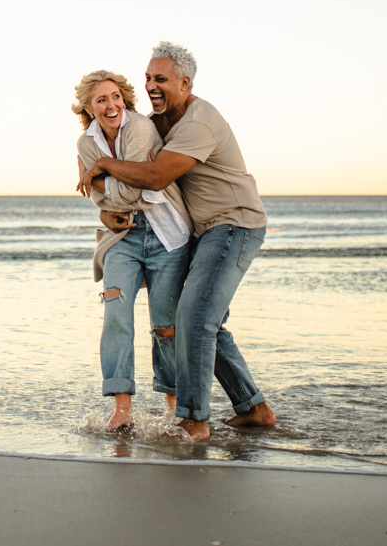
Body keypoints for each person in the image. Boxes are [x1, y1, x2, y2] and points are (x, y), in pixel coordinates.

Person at [79, 42, 276, 440]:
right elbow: (128, 181)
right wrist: (105, 207)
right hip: (203, 231)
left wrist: (101, 166)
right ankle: (253, 408)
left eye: (161, 79)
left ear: (185, 83)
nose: (150, 85)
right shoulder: (158, 121)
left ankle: (192, 419)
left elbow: (152, 179)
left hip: (234, 224)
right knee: (207, 321)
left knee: (193, 319)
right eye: (148, 77)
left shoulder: (197, 123)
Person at [72, 70, 192, 432]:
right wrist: (105, 207)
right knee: (116, 316)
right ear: (90, 108)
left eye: (116, 97)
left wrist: (102, 178)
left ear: (124, 99)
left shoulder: (140, 129)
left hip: (165, 231)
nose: (111, 106)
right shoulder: (85, 144)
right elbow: (94, 195)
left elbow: (139, 188)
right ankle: (122, 408)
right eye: (101, 100)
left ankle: (173, 405)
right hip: (123, 237)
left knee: (165, 325)